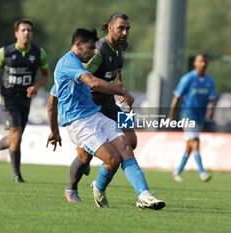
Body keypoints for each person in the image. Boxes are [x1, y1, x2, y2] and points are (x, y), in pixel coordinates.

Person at [46, 28, 165, 210]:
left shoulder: (117, 51)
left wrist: (120, 90)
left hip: (100, 111)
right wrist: (123, 92)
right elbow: (91, 83)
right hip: (80, 121)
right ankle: (78, 188)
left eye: (128, 28)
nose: (94, 53)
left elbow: (114, 78)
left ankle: (144, 195)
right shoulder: (75, 61)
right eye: (91, 48)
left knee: (128, 145)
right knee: (111, 158)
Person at [0, 19, 49, 183]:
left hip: (25, 100)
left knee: (14, 137)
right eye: (23, 30)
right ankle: (17, 175)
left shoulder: (38, 53)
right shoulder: (4, 52)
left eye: (29, 30)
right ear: (16, 33)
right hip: (7, 98)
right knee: (16, 135)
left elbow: (46, 74)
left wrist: (36, 87)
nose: (27, 33)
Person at [83, 12, 137, 149]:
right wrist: (116, 89)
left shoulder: (123, 45)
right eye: (121, 28)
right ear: (110, 28)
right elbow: (82, 79)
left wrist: (121, 87)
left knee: (132, 141)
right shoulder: (98, 52)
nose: (125, 33)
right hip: (91, 105)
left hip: (109, 102)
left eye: (128, 29)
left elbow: (116, 70)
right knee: (86, 157)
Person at [168, 52, 215, 182]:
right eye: (200, 61)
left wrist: (210, 109)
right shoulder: (188, 78)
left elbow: (211, 98)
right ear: (195, 63)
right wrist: (171, 116)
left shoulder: (210, 81)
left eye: (205, 61)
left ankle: (177, 172)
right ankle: (202, 172)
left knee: (190, 145)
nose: (203, 64)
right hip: (187, 114)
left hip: (199, 116)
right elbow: (176, 97)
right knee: (196, 141)